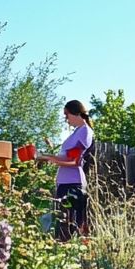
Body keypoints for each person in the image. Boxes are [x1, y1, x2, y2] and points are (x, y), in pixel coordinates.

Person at [38, 99, 94, 240]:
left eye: (66, 115)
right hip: (64, 184)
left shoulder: (85, 132)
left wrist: (50, 159)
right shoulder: (77, 132)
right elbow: (66, 156)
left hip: (73, 185)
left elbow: (74, 161)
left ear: (76, 113)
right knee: (61, 224)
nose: (66, 119)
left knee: (68, 226)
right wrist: (44, 156)